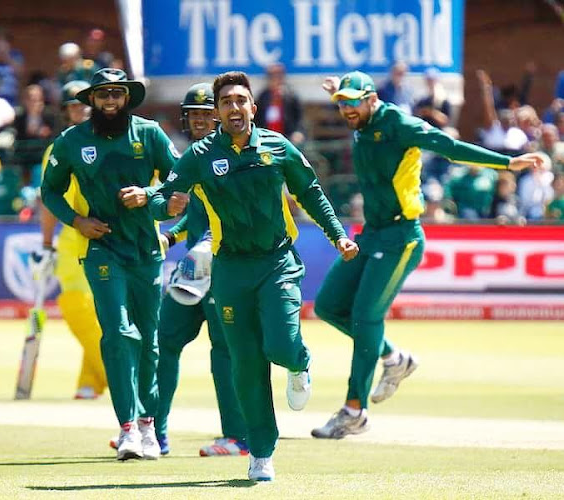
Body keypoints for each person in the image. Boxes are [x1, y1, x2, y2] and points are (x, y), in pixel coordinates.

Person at [145, 71, 358, 481]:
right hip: (230, 271)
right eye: (227, 103)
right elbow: (160, 198)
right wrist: (164, 207)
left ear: (253, 108)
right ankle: (261, 453)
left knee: (280, 345)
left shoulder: (277, 147)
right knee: (245, 365)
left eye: (241, 101)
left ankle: (299, 362)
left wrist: (338, 236)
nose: (235, 108)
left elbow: (310, 192)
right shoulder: (200, 155)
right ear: (218, 112)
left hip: (277, 262)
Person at [313, 71, 544, 440]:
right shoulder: (358, 116)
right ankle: (394, 359)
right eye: (341, 103)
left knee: (364, 317)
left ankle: (354, 410)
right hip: (370, 233)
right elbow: (352, 107)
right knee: (327, 306)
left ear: (372, 98)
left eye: (353, 101)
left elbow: (448, 146)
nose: (346, 109)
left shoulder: (399, 124)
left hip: (401, 236)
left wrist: (507, 162)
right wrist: (340, 94)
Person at [40, 68, 181, 461]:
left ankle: (149, 425)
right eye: (103, 94)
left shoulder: (149, 134)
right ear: (92, 100)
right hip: (102, 247)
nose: (110, 100)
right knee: (118, 334)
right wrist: (77, 221)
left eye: (117, 94)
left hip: (145, 250)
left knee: (149, 339)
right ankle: (127, 429)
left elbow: (178, 179)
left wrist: (150, 195)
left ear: (127, 98)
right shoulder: (72, 141)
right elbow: (49, 191)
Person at [154, 82, 247, 458]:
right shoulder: (192, 156)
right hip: (195, 267)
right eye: (193, 114)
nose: (199, 120)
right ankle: (154, 431)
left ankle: (238, 437)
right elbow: (190, 217)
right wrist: (170, 239)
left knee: (225, 351)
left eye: (206, 114)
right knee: (165, 341)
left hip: (225, 265)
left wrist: (205, 244)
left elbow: (228, 216)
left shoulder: (234, 155)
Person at [34, 79, 107, 400]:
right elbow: (48, 199)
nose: (78, 111)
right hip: (73, 238)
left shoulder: (109, 140)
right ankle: (116, 370)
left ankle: (90, 382)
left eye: (83, 105)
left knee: (103, 314)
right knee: (76, 306)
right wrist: (47, 244)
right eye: (72, 106)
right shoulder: (58, 147)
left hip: (109, 237)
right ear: (65, 111)